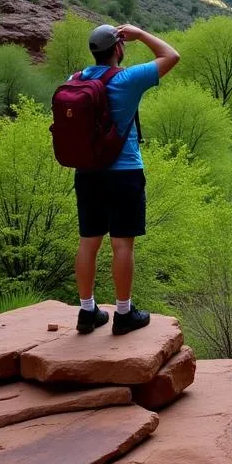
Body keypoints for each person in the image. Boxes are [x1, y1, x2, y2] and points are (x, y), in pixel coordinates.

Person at [73, 23, 180, 335]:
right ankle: (123, 314)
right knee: (122, 245)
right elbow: (171, 55)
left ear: (94, 50)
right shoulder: (127, 79)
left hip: (87, 172)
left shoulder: (75, 79)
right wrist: (143, 34)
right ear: (118, 48)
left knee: (88, 242)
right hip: (124, 172)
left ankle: (87, 311)